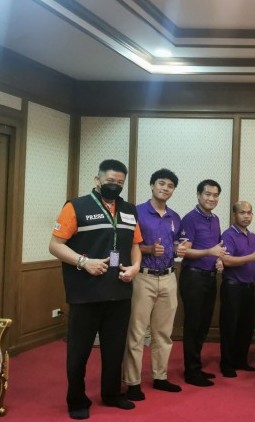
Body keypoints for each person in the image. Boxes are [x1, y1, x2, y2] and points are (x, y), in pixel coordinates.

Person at [49, 159, 142, 419]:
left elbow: (136, 244)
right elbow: (55, 245)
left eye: (120, 182)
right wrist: (84, 262)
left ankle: (112, 394)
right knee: (79, 351)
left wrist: (135, 267)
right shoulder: (76, 206)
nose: (115, 186)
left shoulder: (129, 210)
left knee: (114, 350)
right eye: (110, 181)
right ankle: (76, 400)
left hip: (119, 292)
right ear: (97, 180)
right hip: (85, 293)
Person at [123, 169, 184, 401]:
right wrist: (148, 249)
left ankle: (160, 377)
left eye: (170, 186)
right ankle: (132, 383)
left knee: (164, 333)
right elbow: (127, 243)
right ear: (151, 185)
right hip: (143, 277)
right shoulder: (136, 212)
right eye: (161, 183)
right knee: (137, 333)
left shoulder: (174, 217)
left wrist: (179, 249)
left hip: (169, 277)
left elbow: (175, 244)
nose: (165, 188)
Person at [179, 180, 226, 387]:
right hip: (193, 277)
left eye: (215, 195)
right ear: (198, 195)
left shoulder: (215, 219)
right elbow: (184, 251)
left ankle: (196, 367)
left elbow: (217, 248)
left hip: (210, 276)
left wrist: (218, 260)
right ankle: (191, 372)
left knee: (204, 324)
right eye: (207, 194)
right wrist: (209, 252)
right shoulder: (190, 218)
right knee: (193, 324)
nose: (211, 198)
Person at [219, 201, 255, 377]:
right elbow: (226, 260)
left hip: (249, 287)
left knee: (246, 326)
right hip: (233, 287)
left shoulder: (252, 237)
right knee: (230, 326)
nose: (246, 216)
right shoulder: (228, 234)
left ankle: (240, 360)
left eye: (249, 213)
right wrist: (251, 257)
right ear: (234, 215)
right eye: (242, 213)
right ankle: (226, 364)